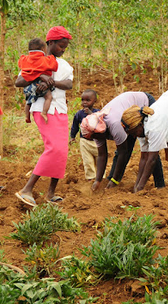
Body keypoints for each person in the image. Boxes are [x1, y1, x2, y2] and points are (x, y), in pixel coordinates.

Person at [14, 26, 73, 207]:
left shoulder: (64, 65)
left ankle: (51, 193)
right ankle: (27, 189)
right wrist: (39, 76)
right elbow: (19, 81)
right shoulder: (34, 60)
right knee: (54, 148)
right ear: (50, 43)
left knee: (62, 152)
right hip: (42, 109)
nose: (63, 50)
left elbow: (69, 84)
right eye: (60, 46)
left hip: (60, 109)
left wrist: (52, 81)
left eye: (65, 47)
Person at [81, 92, 165, 192]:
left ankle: (160, 185)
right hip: (125, 116)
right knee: (125, 149)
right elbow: (102, 155)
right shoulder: (95, 127)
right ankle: (111, 181)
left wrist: (114, 180)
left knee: (151, 146)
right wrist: (97, 180)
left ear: (99, 132)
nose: (93, 140)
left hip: (143, 105)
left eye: (93, 137)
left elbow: (123, 153)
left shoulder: (114, 124)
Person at [18, 38, 59, 124]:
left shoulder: (24, 59)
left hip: (28, 85)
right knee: (48, 97)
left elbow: (20, 64)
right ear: (43, 49)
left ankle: (27, 116)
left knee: (28, 101)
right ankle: (44, 112)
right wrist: (51, 56)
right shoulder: (45, 60)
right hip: (40, 83)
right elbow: (54, 66)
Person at [70, 89, 102, 180]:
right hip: (84, 142)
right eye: (83, 100)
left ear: (94, 101)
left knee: (99, 159)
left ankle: (100, 177)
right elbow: (75, 126)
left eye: (88, 100)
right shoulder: (79, 114)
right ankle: (91, 178)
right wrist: (72, 137)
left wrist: (91, 114)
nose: (84, 102)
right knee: (87, 161)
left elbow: (100, 124)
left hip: (97, 142)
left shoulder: (98, 112)